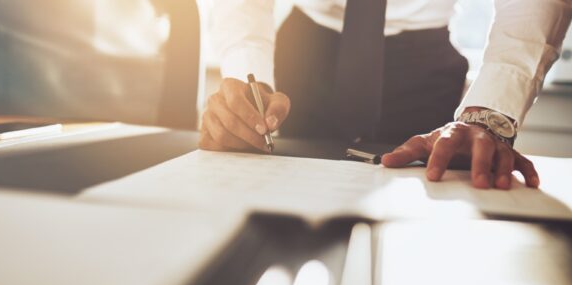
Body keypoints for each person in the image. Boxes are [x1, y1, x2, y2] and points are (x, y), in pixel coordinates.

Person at [200, 0, 572, 190]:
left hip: (423, 63)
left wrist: (490, 112)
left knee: (425, 203)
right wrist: (248, 77)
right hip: (306, 52)